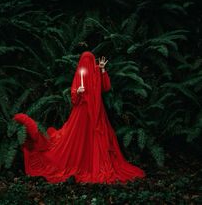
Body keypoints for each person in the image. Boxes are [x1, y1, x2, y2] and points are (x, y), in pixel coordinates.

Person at [13, 51, 146, 184]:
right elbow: (74, 98)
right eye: (85, 60)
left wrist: (102, 70)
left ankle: (92, 164)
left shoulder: (96, 71)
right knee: (79, 139)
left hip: (96, 112)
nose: (87, 63)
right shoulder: (80, 74)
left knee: (94, 137)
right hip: (82, 114)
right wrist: (78, 92)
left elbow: (106, 87)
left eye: (89, 60)